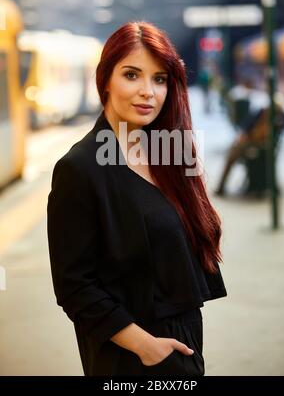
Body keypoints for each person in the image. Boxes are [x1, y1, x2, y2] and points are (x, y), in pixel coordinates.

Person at [47, 21, 227, 377]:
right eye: (132, 75)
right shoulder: (79, 168)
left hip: (182, 341)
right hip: (130, 355)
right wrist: (146, 348)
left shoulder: (167, 153)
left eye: (160, 79)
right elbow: (74, 285)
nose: (149, 91)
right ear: (105, 80)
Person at [214, 93, 284, 197]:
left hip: (263, 147)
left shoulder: (280, 116)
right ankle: (221, 186)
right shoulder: (260, 112)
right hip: (250, 143)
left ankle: (222, 187)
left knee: (234, 153)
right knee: (232, 153)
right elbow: (245, 126)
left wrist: (281, 122)